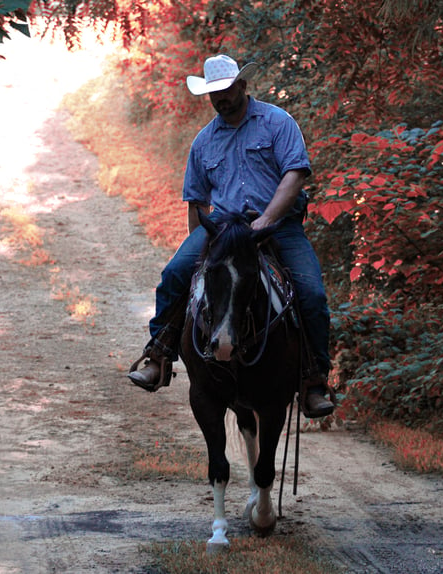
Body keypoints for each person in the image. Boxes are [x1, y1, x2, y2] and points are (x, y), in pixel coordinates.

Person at [128, 54, 334, 418]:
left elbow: (295, 174)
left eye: (225, 90)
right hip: (222, 230)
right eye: (213, 94)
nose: (220, 98)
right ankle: (158, 355)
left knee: (312, 294)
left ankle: (313, 379)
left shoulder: (277, 122)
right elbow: (197, 201)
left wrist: (267, 218)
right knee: (176, 274)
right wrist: (203, 253)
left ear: (242, 85)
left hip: (277, 226)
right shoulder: (204, 141)